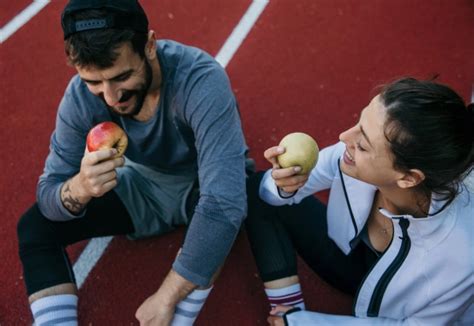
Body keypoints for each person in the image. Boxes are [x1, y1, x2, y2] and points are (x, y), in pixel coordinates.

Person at [16, 0, 253, 325]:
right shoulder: (80, 98)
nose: (111, 97)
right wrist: (81, 187)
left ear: (150, 45)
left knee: (226, 213)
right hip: (144, 185)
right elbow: (49, 194)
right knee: (34, 228)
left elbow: (224, 203)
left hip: (201, 183)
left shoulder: (200, 80)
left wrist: (167, 295)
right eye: (94, 82)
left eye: (122, 76)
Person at [245, 77, 474, 325]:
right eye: (359, 123)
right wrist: (285, 185)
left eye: (363, 144)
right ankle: (288, 307)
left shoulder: (463, 257)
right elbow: (268, 193)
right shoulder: (352, 156)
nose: (344, 136)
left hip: (390, 311)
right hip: (350, 261)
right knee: (257, 188)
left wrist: (307, 323)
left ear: (408, 177)